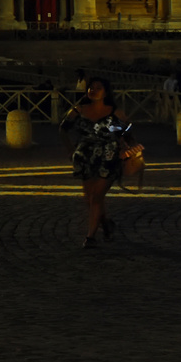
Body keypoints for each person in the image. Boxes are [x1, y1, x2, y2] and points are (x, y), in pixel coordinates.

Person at [60, 78, 133, 249]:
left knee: (97, 196)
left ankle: (90, 237)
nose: (93, 90)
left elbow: (128, 131)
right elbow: (63, 129)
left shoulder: (115, 112)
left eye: (98, 88)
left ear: (106, 92)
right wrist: (70, 150)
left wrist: (126, 148)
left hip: (109, 156)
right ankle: (106, 224)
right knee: (89, 199)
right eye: (91, 88)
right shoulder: (78, 110)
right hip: (85, 157)